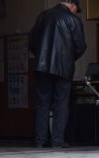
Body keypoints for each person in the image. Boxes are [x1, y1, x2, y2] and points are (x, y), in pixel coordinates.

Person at [29, 0, 87, 148]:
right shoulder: (73, 20)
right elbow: (80, 46)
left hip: (42, 67)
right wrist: (68, 57)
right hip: (63, 68)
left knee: (43, 103)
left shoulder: (43, 15)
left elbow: (32, 41)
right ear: (73, 5)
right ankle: (57, 140)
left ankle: (40, 141)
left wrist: (41, 56)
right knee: (61, 103)